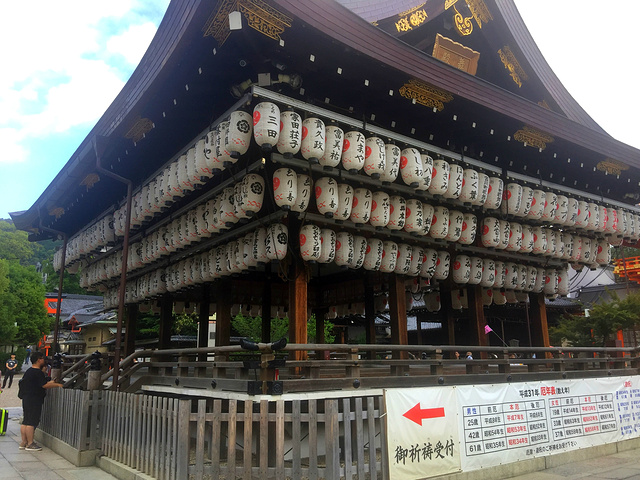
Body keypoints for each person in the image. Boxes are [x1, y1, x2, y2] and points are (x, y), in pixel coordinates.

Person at [19, 352, 62, 451]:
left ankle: (23, 442)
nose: (44, 361)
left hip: (27, 398)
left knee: (26, 420)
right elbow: (44, 385)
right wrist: (58, 385)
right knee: (31, 421)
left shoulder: (29, 371)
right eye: (43, 358)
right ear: (39, 359)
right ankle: (30, 443)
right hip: (34, 399)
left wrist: (51, 382)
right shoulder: (37, 372)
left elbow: (40, 383)